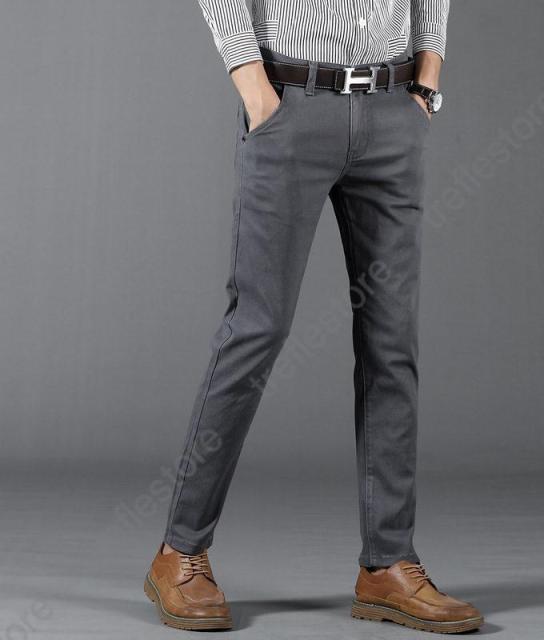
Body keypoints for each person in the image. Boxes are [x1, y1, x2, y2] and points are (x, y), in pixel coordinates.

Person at [144, 0, 484, 633]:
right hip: (291, 104)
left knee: (392, 342)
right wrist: (255, 90)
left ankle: (387, 563)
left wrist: (427, 81)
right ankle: (179, 552)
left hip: (393, 110)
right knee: (258, 327)